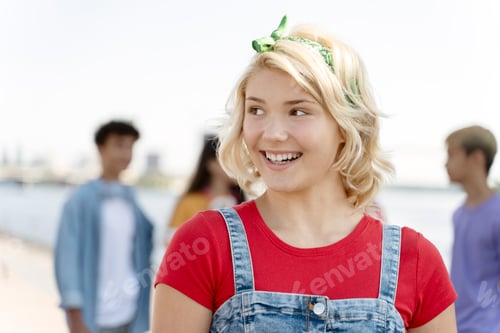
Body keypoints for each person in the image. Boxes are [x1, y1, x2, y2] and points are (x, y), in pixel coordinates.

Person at [152, 16, 457, 332]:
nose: (272, 133)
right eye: (256, 110)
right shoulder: (203, 245)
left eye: (298, 111)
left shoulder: (416, 259)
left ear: (345, 126)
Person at [54, 120, 154, 333]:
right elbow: (66, 258)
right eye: (118, 145)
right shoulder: (81, 199)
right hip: (95, 316)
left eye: (130, 146)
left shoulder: (131, 199)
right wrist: (75, 316)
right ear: (100, 149)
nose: (125, 153)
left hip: (130, 312)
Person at [445, 125, 500, 333]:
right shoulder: (459, 214)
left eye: (452, 154)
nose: (445, 163)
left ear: (476, 158)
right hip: (456, 324)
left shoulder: (497, 214)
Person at [163, 135, 245, 246]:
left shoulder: (244, 205)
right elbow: (170, 242)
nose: (239, 165)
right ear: (212, 164)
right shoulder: (189, 202)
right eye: (232, 159)